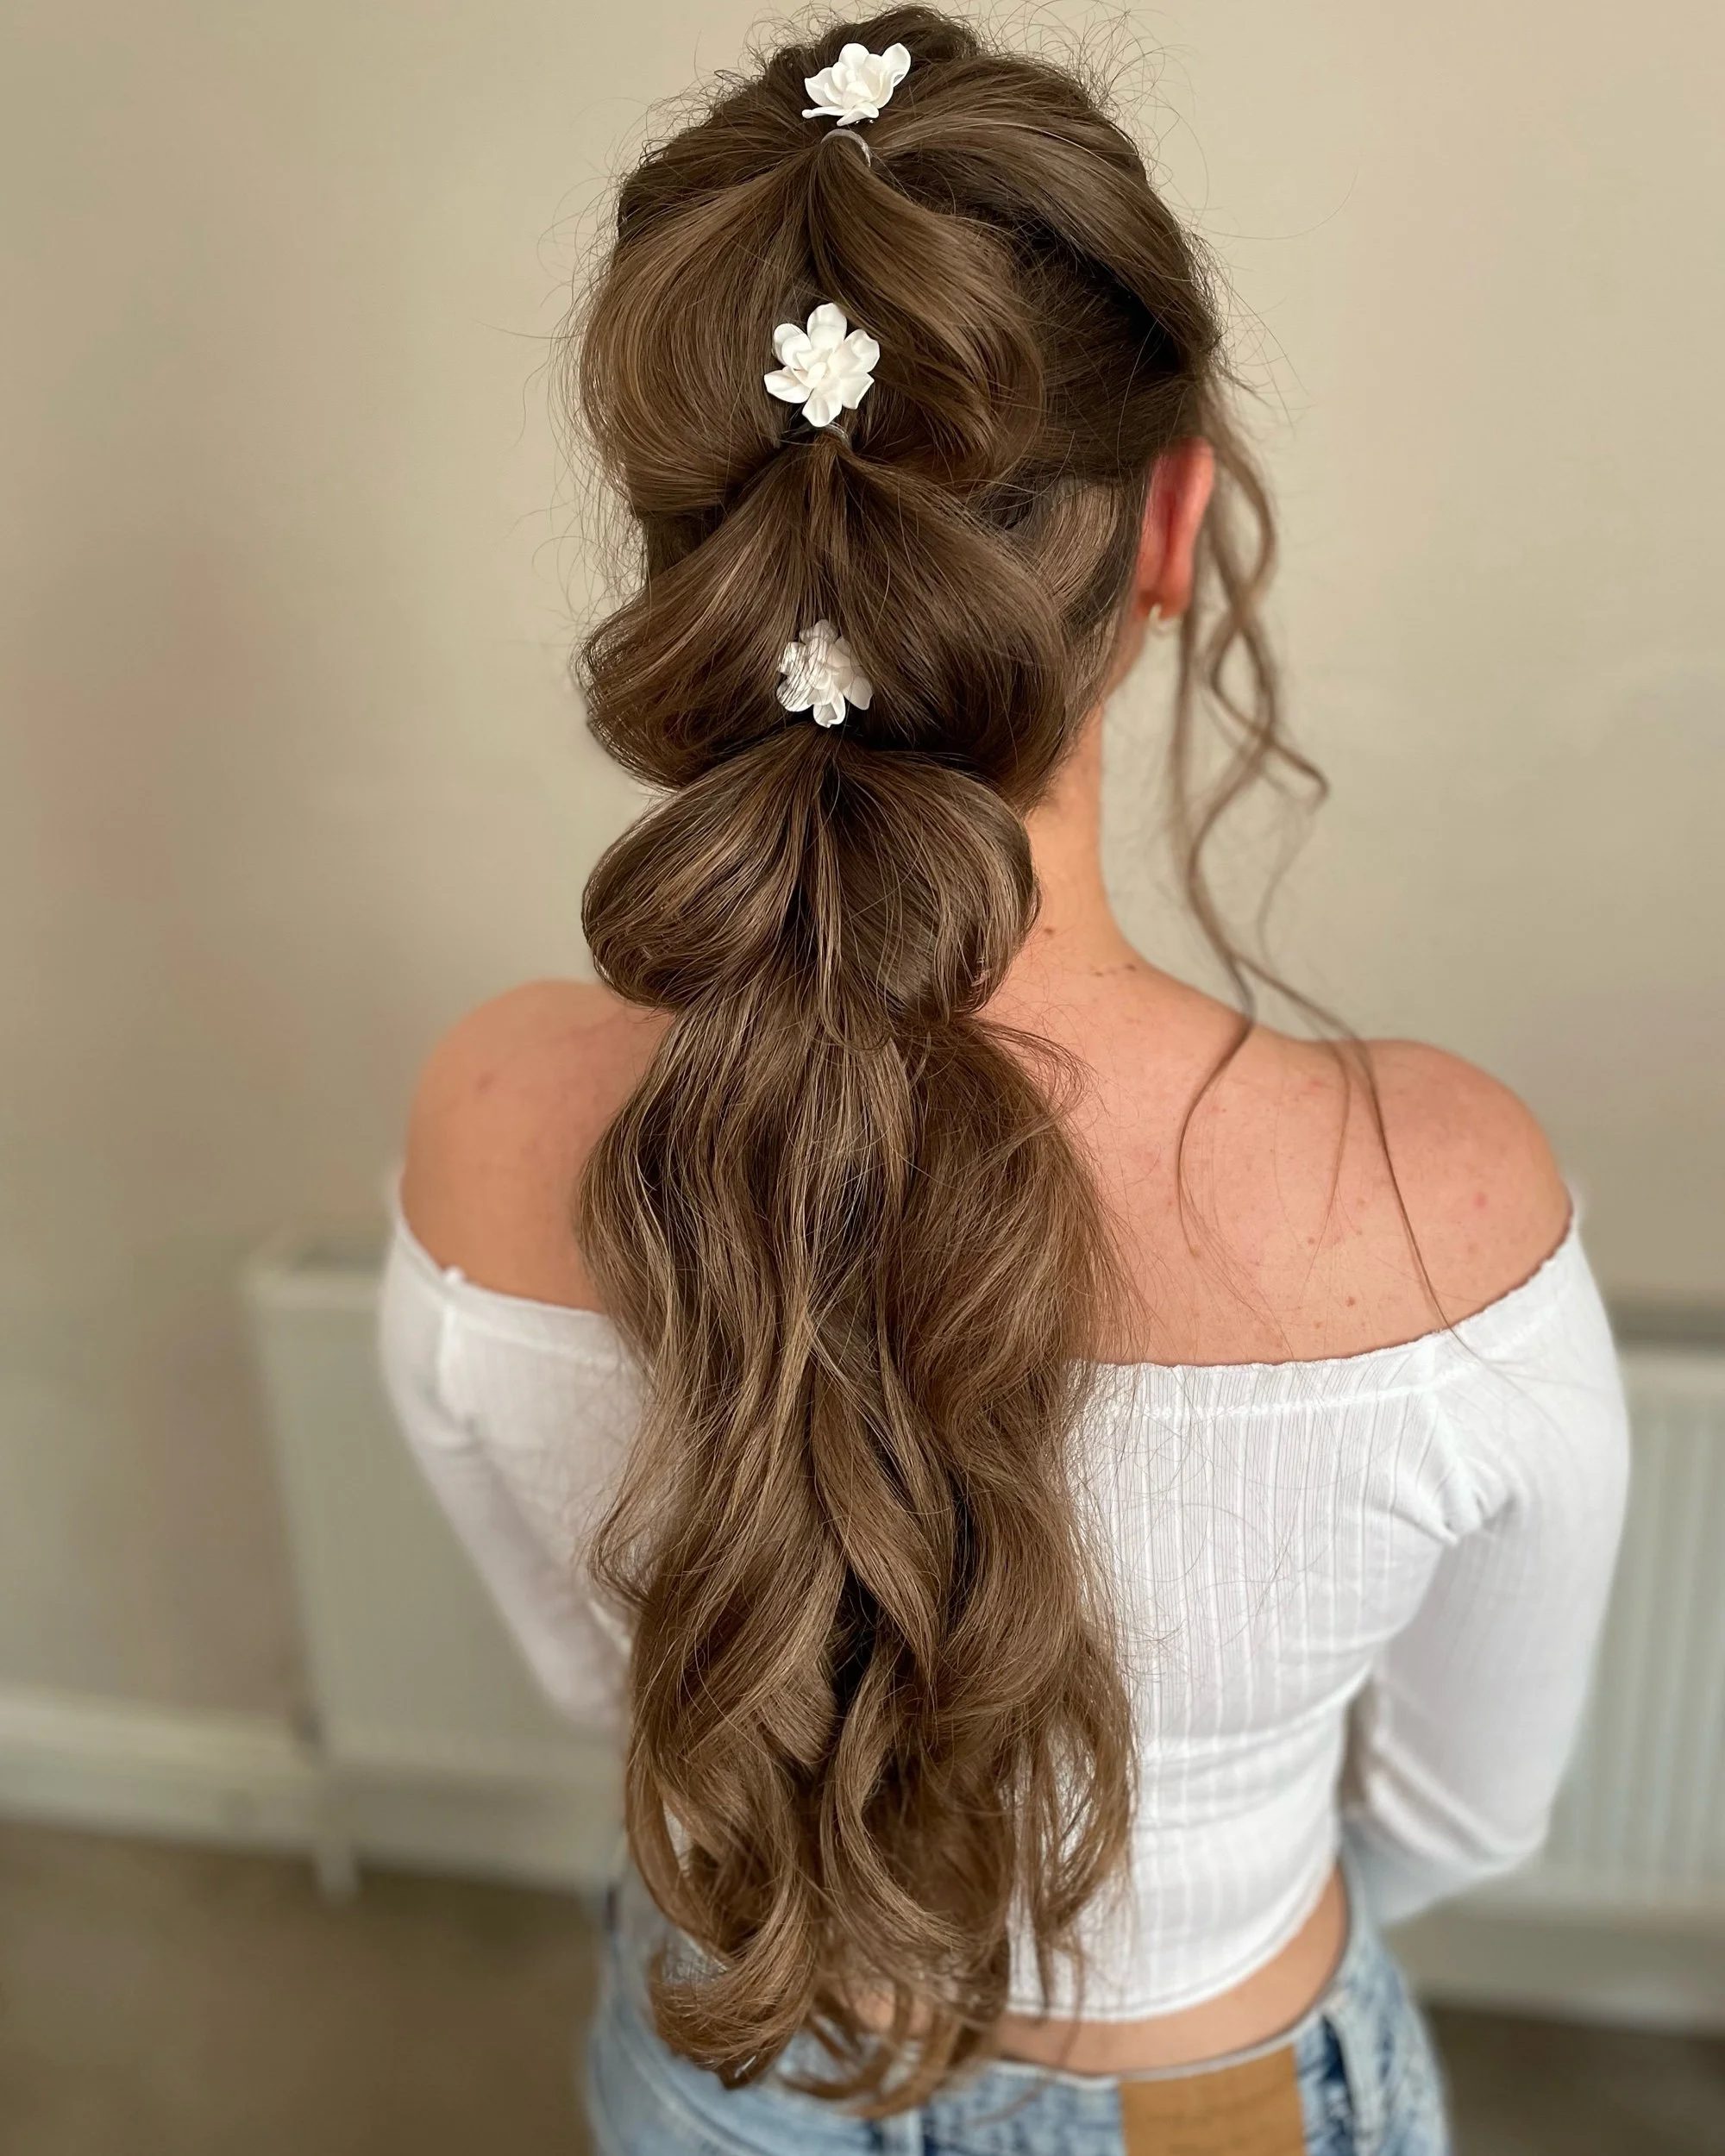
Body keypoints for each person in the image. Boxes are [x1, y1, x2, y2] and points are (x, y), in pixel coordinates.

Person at [378, 13, 1630, 2151]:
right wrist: (1172, 1914)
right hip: (1208, 2091)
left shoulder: (493, 1114)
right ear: (1170, 530)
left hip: (726, 2053)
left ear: (707, 555)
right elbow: (1460, 1810)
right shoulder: (1436, 1201)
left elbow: (614, 1684)